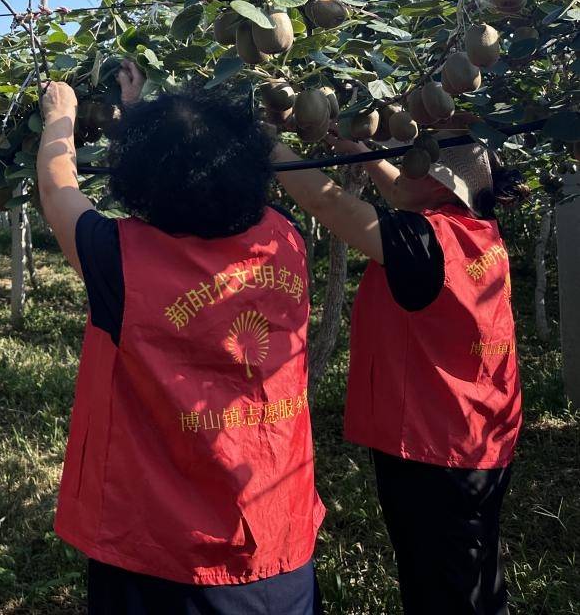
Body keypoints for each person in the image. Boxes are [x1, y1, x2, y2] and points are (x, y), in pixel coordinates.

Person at [37, 62, 324, 615]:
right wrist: (149, 115)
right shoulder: (285, 239)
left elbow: (58, 189)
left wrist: (60, 118)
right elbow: (204, 173)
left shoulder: (121, 260)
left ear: (141, 182)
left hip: (161, 553)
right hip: (276, 535)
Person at [273, 126, 525, 615]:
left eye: (409, 160)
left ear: (438, 184)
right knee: (468, 569)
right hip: (479, 435)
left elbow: (328, 206)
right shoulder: (470, 232)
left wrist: (270, 148)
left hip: (435, 447)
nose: (399, 167)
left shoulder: (422, 240)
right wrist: (356, 148)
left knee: (442, 586)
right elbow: (399, 188)